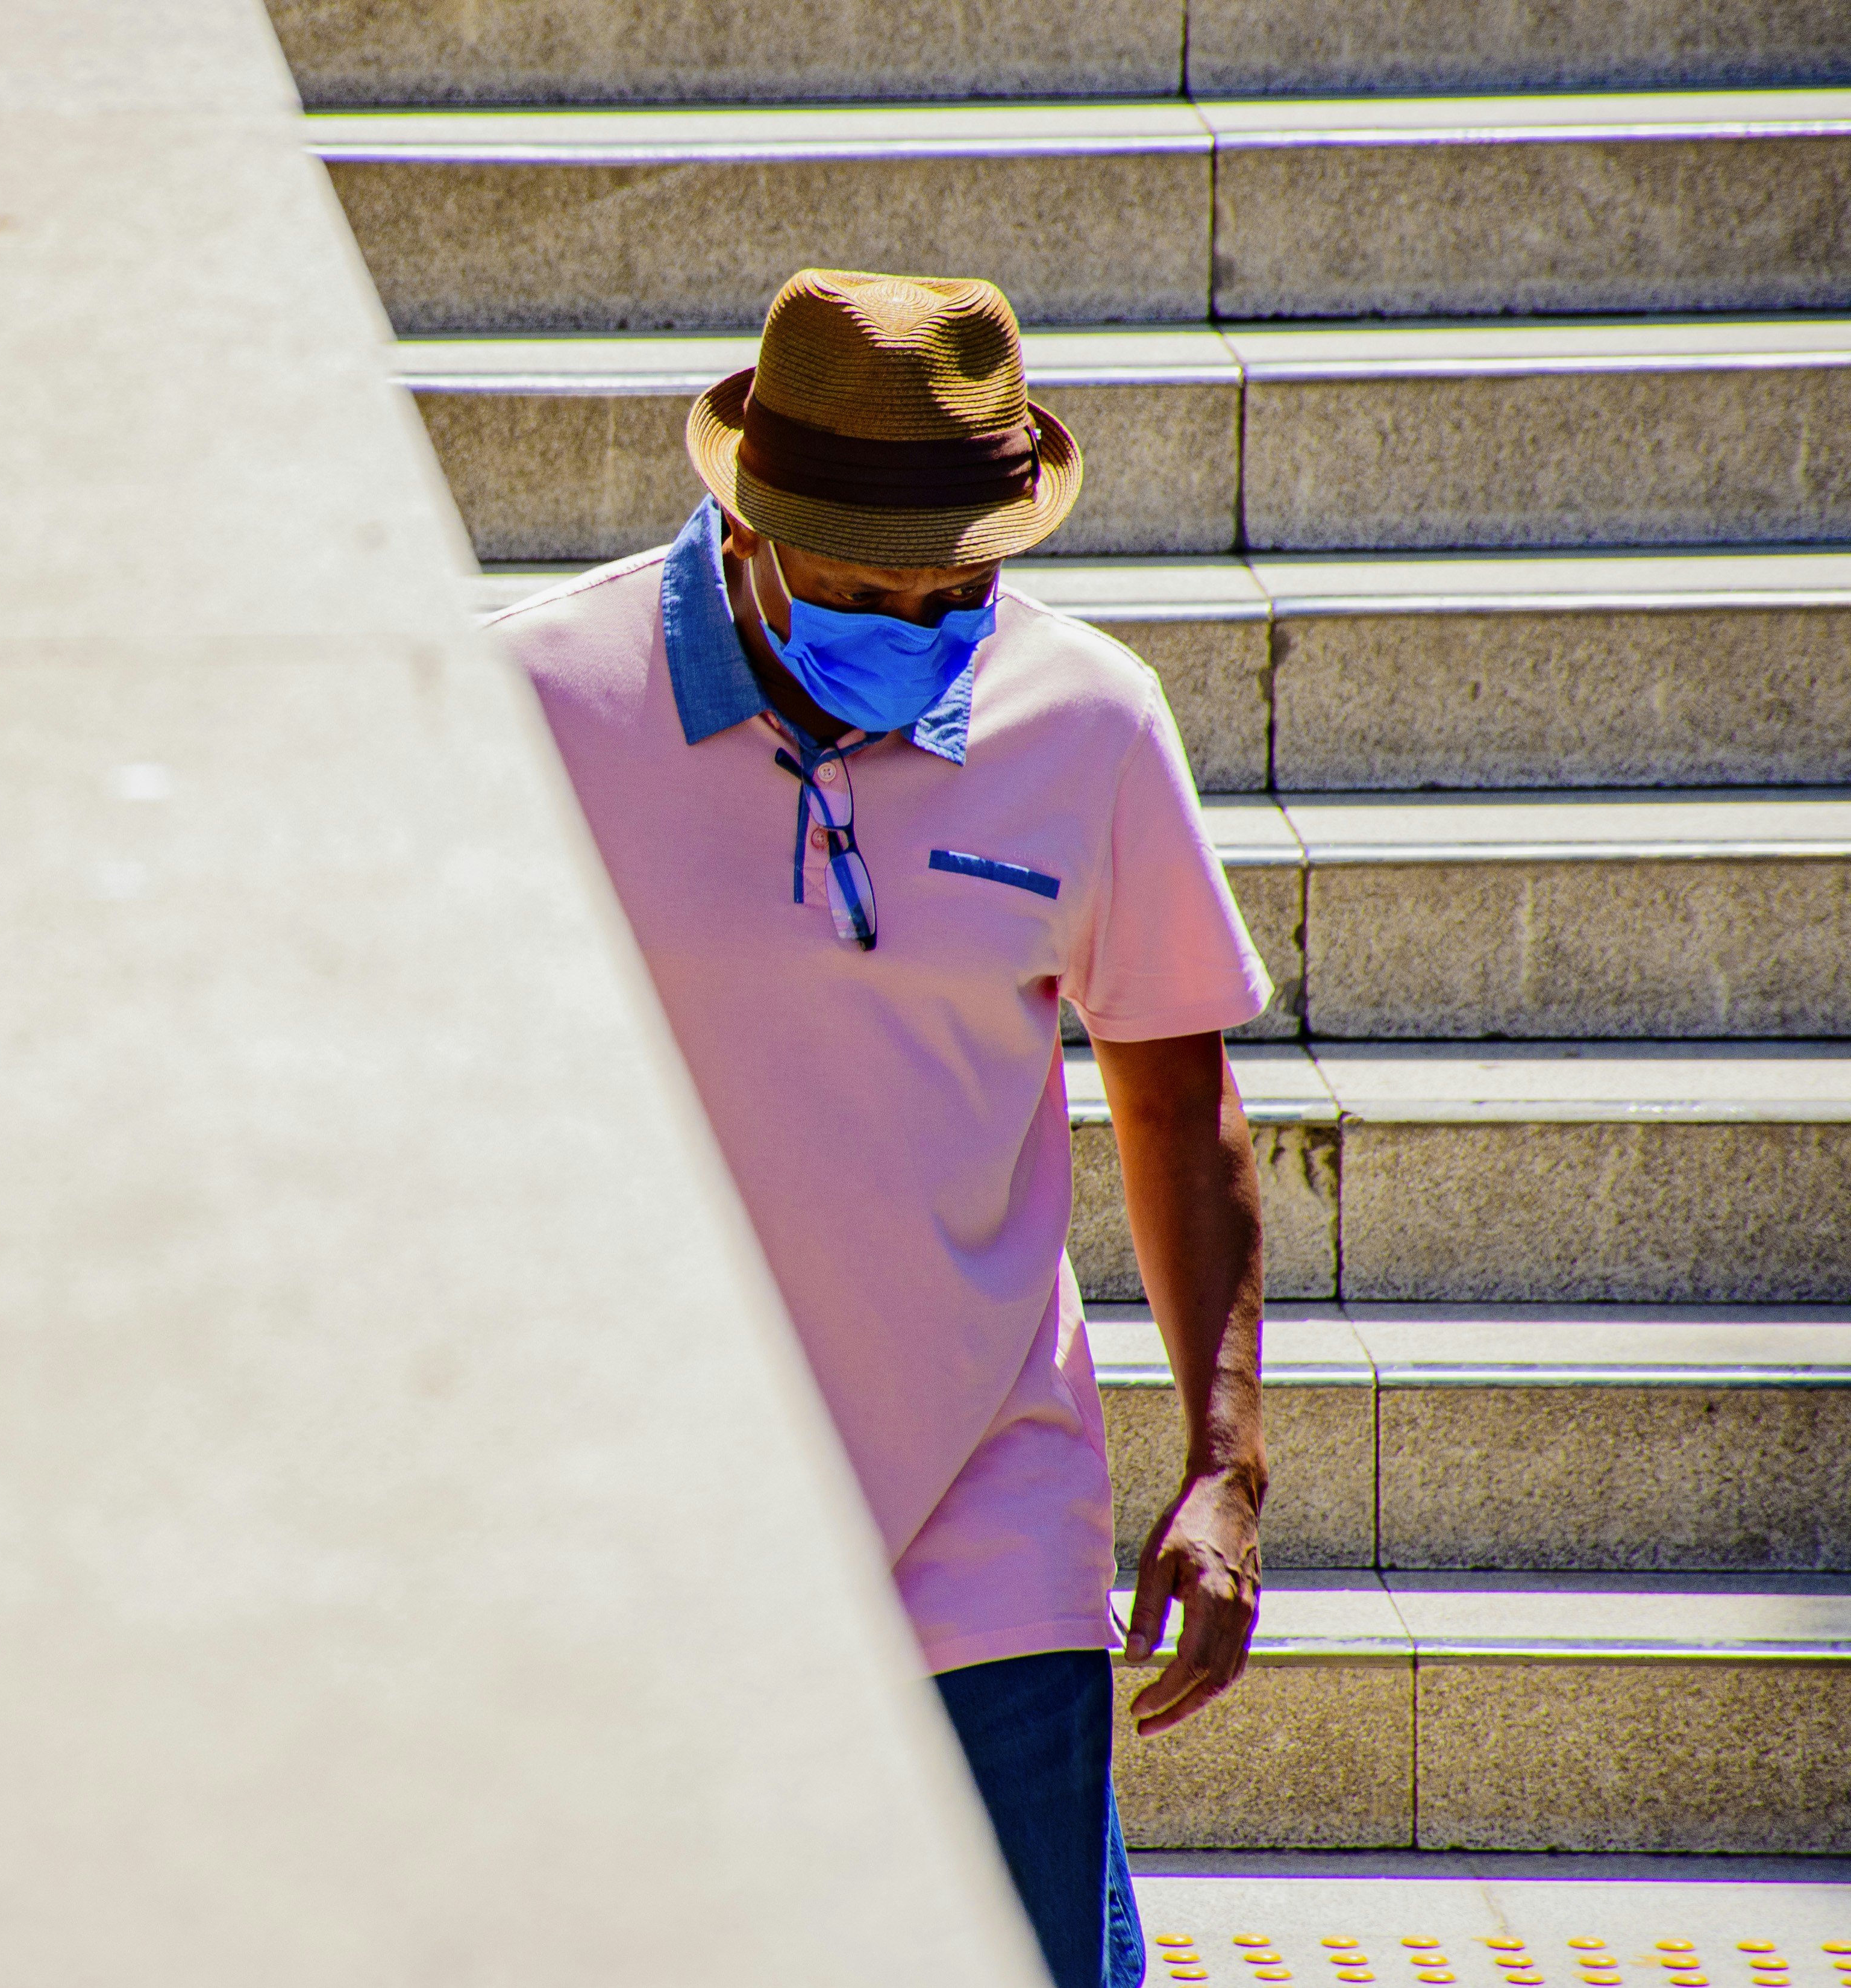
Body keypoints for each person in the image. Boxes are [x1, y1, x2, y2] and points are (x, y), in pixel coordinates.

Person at [489, 268, 1269, 1988]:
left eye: (958, 586)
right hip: (637, 1524)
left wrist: (1222, 1464)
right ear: (751, 523)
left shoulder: (1089, 718)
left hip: (989, 1509)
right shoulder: (529, 705)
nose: (921, 625)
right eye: (865, 587)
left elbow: (1178, 1092)